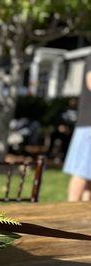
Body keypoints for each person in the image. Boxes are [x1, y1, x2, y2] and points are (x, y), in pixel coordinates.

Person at [63, 55, 91, 201]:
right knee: (81, 173)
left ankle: (85, 218)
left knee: (88, 177)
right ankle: (69, 213)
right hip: (89, 126)